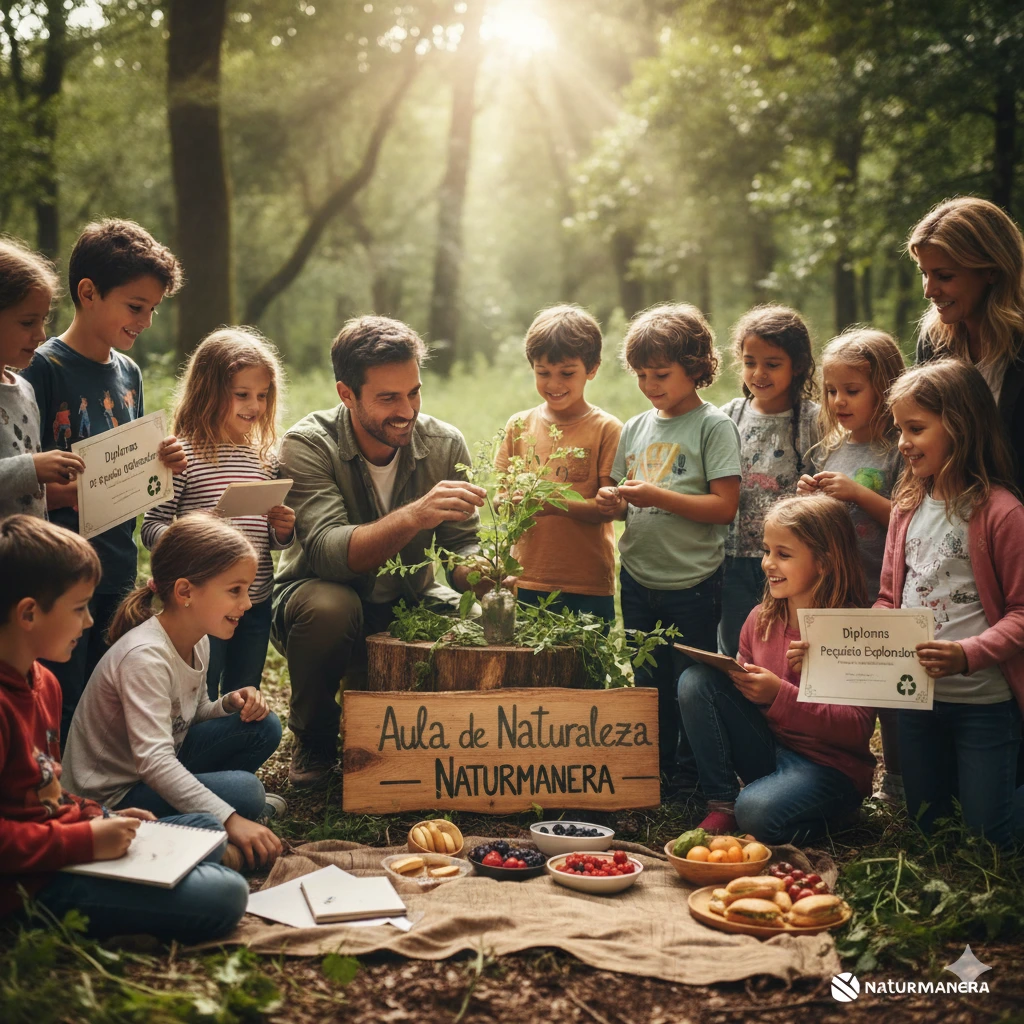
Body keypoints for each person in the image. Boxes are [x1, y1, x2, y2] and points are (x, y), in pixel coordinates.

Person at [0, 515, 247, 941]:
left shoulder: (45, 686)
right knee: (227, 894)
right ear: (28, 613)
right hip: (28, 885)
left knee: (206, 832)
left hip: (64, 844)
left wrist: (103, 817)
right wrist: (86, 842)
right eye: (79, 608)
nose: (90, 622)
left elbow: (49, 796)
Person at [272, 315, 486, 786]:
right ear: (346, 394)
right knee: (330, 605)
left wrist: (483, 572)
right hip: (321, 602)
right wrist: (414, 515)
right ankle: (314, 735)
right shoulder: (307, 445)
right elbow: (329, 553)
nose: (407, 410)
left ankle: (448, 737)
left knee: (479, 624)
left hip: (409, 600)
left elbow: (460, 544)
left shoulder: (445, 443)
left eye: (414, 392)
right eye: (388, 398)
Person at [20, 219, 188, 744]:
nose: (146, 321)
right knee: (62, 694)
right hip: (58, 570)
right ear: (87, 293)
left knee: (106, 695)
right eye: (135, 307)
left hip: (116, 563)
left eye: (153, 310)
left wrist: (160, 463)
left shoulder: (129, 373)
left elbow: (132, 466)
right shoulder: (41, 369)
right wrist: (81, 489)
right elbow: (26, 481)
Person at [63, 514, 284, 871]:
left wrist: (228, 704)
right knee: (247, 792)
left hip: (154, 769)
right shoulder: (145, 657)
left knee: (264, 726)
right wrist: (231, 819)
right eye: (235, 590)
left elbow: (189, 717)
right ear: (185, 592)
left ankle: (217, 823)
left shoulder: (199, 640)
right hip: (114, 796)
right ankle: (221, 824)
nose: (246, 604)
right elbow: (154, 761)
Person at [877, 360, 1024, 846]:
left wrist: (967, 654)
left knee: (989, 837)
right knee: (929, 830)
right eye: (899, 429)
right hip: (917, 704)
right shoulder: (906, 508)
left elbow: (1022, 613)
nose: (902, 442)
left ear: (961, 426)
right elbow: (888, 601)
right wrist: (840, 645)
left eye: (915, 428)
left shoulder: (1002, 513)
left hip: (984, 704)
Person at [596, 303, 741, 783]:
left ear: (696, 368)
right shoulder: (635, 427)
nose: (649, 385)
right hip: (639, 576)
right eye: (640, 375)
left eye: (660, 373)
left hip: (694, 582)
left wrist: (659, 495)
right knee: (647, 677)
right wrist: (610, 500)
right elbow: (622, 503)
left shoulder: (712, 426)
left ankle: (691, 771)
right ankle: (650, 768)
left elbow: (724, 506)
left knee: (689, 682)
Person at [679, 495, 875, 842]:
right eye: (767, 550)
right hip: (770, 750)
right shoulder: (760, 620)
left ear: (824, 563)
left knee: (756, 811)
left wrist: (780, 695)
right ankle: (723, 803)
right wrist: (740, 681)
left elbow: (856, 730)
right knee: (696, 681)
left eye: (783, 555)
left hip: (829, 768)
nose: (769, 563)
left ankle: (839, 816)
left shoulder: (850, 632)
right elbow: (737, 700)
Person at [142, 327, 295, 699]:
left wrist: (282, 531)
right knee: (202, 692)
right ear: (208, 392)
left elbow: (266, 539)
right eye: (241, 394)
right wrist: (194, 536)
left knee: (246, 692)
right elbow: (151, 528)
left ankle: (238, 755)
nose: (254, 406)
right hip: (203, 605)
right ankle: (195, 756)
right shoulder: (183, 456)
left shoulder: (265, 459)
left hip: (255, 600)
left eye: (262, 396)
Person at [800, 328, 906, 806]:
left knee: (891, 696)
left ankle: (901, 784)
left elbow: (909, 522)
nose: (839, 401)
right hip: (838, 592)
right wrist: (811, 502)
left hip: (884, 593)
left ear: (886, 389)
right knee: (846, 693)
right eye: (831, 391)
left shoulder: (900, 451)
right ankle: (850, 774)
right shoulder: (830, 450)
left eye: (852, 390)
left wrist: (859, 494)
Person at [494, 305, 622, 624]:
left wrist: (552, 505)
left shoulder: (607, 429)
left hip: (587, 584)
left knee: (585, 670)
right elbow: (499, 499)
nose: (554, 383)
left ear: (591, 368)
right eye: (543, 372)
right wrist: (507, 502)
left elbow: (608, 509)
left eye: (567, 373)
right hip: (526, 579)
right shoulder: (519, 425)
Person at [718, 305, 820, 657]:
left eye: (772, 364)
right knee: (736, 649)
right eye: (749, 362)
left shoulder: (812, 419)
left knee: (783, 648)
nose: (758, 373)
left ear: (799, 366)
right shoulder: (730, 415)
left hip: (791, 561)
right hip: (733, 558)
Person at [909, 197, 1024, 489]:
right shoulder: (933, 342)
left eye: (944, 276)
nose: (929, 291)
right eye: (924, 274)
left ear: (992, 271)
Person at [0, 238, 85, 519]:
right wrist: (32, 468)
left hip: (28, 558)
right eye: (27, 322)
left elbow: (28, 496)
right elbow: (26, 471)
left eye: (43, 320)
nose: (40, 335)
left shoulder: (24, 389)